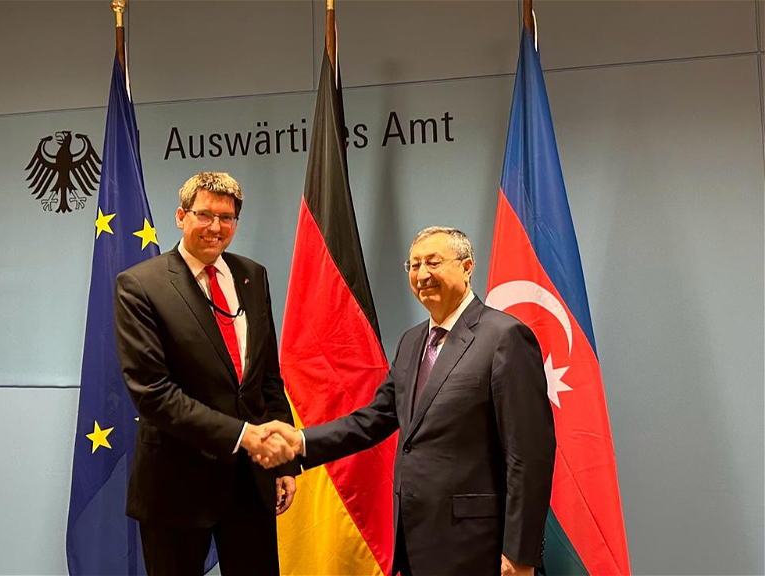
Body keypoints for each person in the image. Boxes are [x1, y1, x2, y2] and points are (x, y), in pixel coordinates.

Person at [261, 227, 555, 576]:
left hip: (476, 546)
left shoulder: (505, 336)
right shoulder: (412, 342)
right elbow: (373, 420)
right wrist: (300, 442)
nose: (422, 274)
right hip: (413, 542)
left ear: (467, 267)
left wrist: (520, 553)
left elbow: (529, 455)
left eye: (434, 262)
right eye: (414, 265)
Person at [114, 171, 299, 576]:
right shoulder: (140, 285)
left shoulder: (253, 275)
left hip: (250, 483)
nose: (216, 227)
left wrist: (283, 462)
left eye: (227, 218)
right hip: (175, 485)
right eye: (205, 215)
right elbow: (153, 393)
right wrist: (242, 435)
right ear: (181, 216)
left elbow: (267, 378)